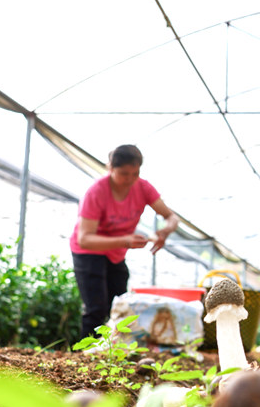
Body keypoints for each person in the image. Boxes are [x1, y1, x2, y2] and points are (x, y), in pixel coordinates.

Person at [69, 144, 179, 339]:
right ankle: (83, 359)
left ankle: (114, 352)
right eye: (124, 174)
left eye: (135, 174)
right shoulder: (96, 193)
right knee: (96, 308)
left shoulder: (143, 188)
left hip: (116, 253)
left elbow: (171, 217)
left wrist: (165, 231)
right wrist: (125, 240)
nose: (130, 180)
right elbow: (85, 239)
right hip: (88, 253)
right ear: (110, 168)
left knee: (120, 305)